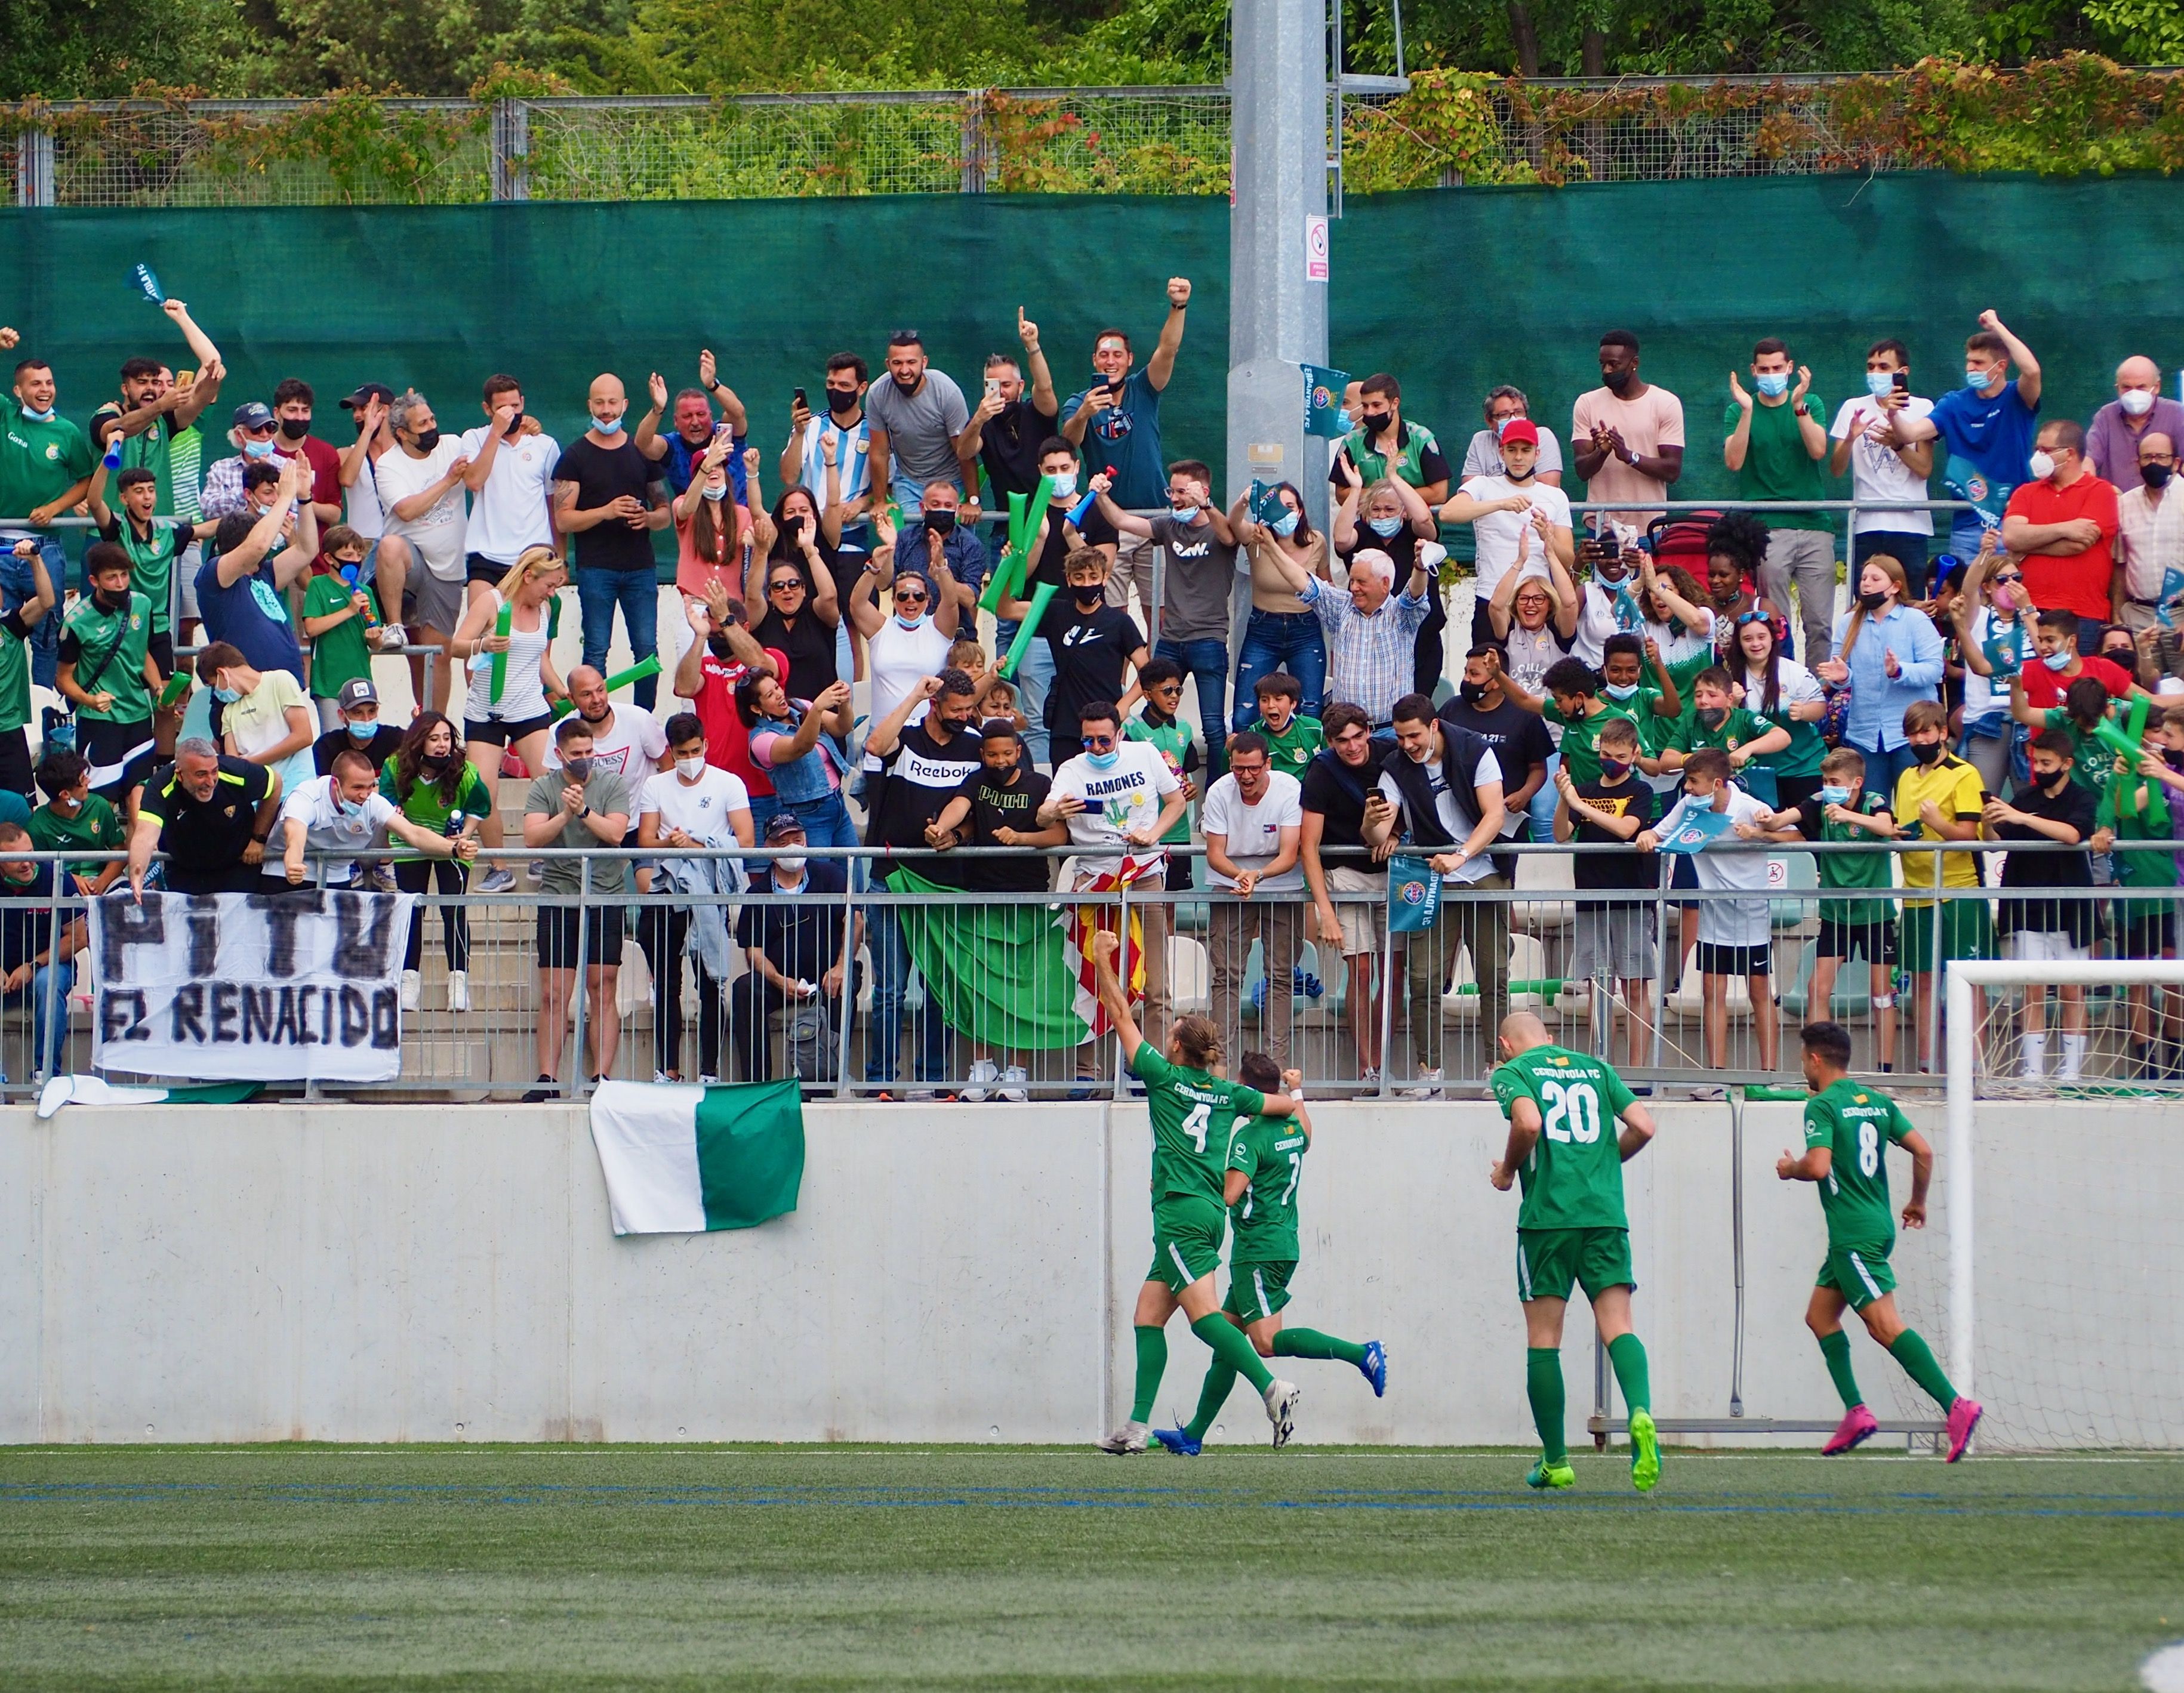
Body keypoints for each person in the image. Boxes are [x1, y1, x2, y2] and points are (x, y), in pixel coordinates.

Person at [1088, 927, 1304, 1455]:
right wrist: (1292, 1090)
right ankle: (1136, 1427)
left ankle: (1271, 1388)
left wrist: (1100, 960)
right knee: (1148, 1313)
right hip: (1205, 1211)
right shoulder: (1229, 1093)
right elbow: (1282, 1108)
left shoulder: (1162, 1077)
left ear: (1179, 1046)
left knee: (1205, 1319)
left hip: (1181, 1212)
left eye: (1173, 1032)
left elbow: (1120, 1015)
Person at [1154, 1051, 1387, 1455]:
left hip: (1257, 1248)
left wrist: (1191, 1184)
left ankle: (1360, 1353)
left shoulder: (1250, 1137)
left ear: (1246, 1089)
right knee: (1228, 1345)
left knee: (1263, 1341)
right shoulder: (1292, 1123)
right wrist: (1297, 1092)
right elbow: (1308, 1132)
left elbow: (1229, 1193)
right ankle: (1193, 1434)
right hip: (1280, 1240)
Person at [1779, 1019, 1983, 1462]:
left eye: (1802, 1059)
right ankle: (1855, 1411)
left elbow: (1816, 1166)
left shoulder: (1821, 1106)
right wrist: (1917, 1202)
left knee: (1883, 1325)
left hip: (1852, 1234)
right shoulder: (1875, 1101)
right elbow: (1924, 1151)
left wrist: (1788, 1167)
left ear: (1815, 1058)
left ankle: (1955, 1404)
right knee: (1819, 1316)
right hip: (1874, 1225)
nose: (1803, 1068)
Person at [1489, 1010, 1662, 1492]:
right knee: (1618, 1325)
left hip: (1549, 1218)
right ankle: (1642, 1412)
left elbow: (1527, 1122)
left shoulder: (1513, 1071)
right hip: (1605, 1213)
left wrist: (1506, 1171)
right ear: (1549, 1037)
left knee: (1544, 1338)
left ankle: (1556, 1460)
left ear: (1506, 1044)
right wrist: (1608, 1158)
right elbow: (1644, 1126)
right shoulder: (1597, 1067)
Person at [1363, 693, 1508, 1097]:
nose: (1407, 744)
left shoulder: (1474, 749)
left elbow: (1494, 814)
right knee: (1423, 976)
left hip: (1482, 871)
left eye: (1413, 736)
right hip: (1429, 875)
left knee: (1492, 973)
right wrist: (1373, 825)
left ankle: (1497, 1070)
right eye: (1400, 737)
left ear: (1433, 727)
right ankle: (1430, 1075)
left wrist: (1462, 855)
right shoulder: (1393, 765)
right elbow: (1378, 832)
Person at [862, 670, 984, 1097]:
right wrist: (915, 693)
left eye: (969, 709)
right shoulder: (909, 736)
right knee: (891, 989)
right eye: (956, 709)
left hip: (945, 883)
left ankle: (934, 1078)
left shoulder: (974, 745)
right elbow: (875, 745)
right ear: (936, 704)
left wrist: (956, 835)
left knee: (939, 987)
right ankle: (882, 1078)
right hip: (891, 879)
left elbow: (972, 808)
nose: (965, 717)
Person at [1749, 745, 1900, 1070]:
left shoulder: (1874, 802)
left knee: (1881, 994)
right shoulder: (1820, 803)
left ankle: (1885, 1071)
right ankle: (1822, 1068)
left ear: (1856, 782)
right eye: (1825, 781)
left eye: (1834, 781)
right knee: (1817, 988)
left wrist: (1848, 815)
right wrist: (1766, 821)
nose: (1827, 788)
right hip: (1835, 912)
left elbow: (1887, 828)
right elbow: (1781, 821)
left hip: (1875, 913)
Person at [1638, 746, 1778, 1076]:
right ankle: (1716, 1076)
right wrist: (1646, 836)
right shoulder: (1689, 805)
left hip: (1752, 914)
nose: (1688, 788)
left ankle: (1770, 1076)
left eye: (1694, 782)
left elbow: (1794, 835)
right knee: (1711, 991)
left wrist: (1760, 832)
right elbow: (1658, 832)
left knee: (1760, 992)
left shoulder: (1752, 807)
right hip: (1713, 914)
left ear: (1717, 784)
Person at [1064, 279, 1194, 622]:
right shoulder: (1079, 402)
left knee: (1161, 614)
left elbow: (1167, 351)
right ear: (1094, 360)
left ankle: (1155, 677)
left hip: (1153, 517)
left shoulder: (1144, 389)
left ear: (1129, 359)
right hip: (1107, 523)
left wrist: (1177, 306)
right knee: (1111, 613)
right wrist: (1085, 415)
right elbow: (1068, 444)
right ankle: (1116, 678)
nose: (1111, 361)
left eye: (1117, 354)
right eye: (1104, 355)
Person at [1090, 461, 1237, 765]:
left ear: (1203, 491)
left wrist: (1207, 506)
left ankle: (1214, 800)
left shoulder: (1219, 527)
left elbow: (1229, 537)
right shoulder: (1169, 526)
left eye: (1182, 491)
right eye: (1172, 491)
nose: (1175, 498)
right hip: (1170, 639)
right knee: (1149, 716)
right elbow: (1122, 521)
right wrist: (1102, 495)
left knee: (1213, 727)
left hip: (1209, 640)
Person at [637, 711, 754, 1084]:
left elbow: (746, 840)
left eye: (694, 750)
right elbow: (645, 841)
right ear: (670, 752)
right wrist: (670, 844)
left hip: (710, 893)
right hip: (668, 890)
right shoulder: (655, 786)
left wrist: (698, 844)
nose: (689, 759)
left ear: (705, 744)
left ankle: (709, 1070)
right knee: (668, 984)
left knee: (710, 983)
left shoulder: (729, 783)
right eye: (681, 753)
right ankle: (667, 1069)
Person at [522, 715, 634, 1100]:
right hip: (559, 896)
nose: (585, 758)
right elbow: (532, 839)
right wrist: (566, 814)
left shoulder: (613, 785)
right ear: (560, 754)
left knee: (602, 987)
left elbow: (617, 833)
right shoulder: (543, 787)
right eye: (577, 753)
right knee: (555, 993)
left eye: (589, 751)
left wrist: (585, 811)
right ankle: (547, 1079)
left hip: (605, 895)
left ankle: (601, 1078)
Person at [1982, 726, 2098, 1080]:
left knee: (2071, 990)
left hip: (2070, 909)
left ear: (2067, 763)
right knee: (2032, 988)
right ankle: (2033, 1071)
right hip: (2028, 909)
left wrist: (2021, 818)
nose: (2040, 769)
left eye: (2047, 762)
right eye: (2035, 761)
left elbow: (2073, 834)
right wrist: (1991, 821)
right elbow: (1996, 841)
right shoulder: (2026, 798)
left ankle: (2072, 1072)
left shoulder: (2082, 798)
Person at [449, 545, 565, 892]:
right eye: (549, 585)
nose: (553, 592)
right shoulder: (491, 602)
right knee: (482, 789)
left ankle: (544, 855)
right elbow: (456, 645)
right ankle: (498, 866)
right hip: (486, 710)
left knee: (549, 782)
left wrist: (560, 688)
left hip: (529, 707)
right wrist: (483, 645)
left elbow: (538, 656)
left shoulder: (545, 608)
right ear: (529, 576)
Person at [555, 374, 670, 713]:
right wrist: (606, 511)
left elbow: (665, 512)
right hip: (595, 568)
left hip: (641, 568)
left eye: (612, 403)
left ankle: (645, 721)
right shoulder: (575, 456)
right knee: (595, 650)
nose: (606, 411)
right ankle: (594, 722)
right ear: (590, 405)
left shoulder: (642, 452)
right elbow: (563, 519)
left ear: (625, 406)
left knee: (648, 650)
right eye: (600, 403)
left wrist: (647, 519)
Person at [1893, 699, 1994, 1072]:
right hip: (1917, 894)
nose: (1920, 739)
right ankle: (1927, 1066)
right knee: (1922, 981)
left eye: (1926, 731)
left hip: (1960, 892)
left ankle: (1973, 1067)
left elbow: (1970, 835)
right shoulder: (1905, 777)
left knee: (1969, 981)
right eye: (1913, 733)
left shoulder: (1965, 774)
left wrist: (1938, 823)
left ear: (1943, 733)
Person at [1891, 310, 2043, 557]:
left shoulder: (2017, 397)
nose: (1970, 368)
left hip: (2014, 523)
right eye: (1969, 362)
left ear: (2001, 366)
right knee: (1966, 596)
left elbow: (2033, 371)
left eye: (1979, 363)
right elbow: (1909, 435)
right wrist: (1892, 414)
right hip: (1966, 528)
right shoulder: (1953, 403)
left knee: (2010, 595)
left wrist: (1997, 326)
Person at [1552, 717, 1658, 1068]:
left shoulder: (1641, 791)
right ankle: (1602, 1066)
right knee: (1599, 989)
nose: (1611, 761)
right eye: (1606, 753)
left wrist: (1581, 806)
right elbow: (1561, 834)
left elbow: (1628, 830)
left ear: (1634, 754)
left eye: (1620, 755)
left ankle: (1639, 1071)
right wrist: (1565, 797)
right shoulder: (1585, 789)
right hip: (1591, 898)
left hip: (1630, 896)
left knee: (1635, 986)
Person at [1724, 338, 1837, 661]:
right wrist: (1747, 410)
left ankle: (1819, 696)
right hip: (1767, 529)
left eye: (1777, 368)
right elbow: (1734, 461)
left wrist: (1799, 405)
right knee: (1774, 622)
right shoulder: (1738, 409)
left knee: (1819, 624)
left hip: (1815, 525)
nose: (1771, 374)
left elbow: (1818, 450)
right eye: (1764, 369)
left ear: (1789, 369)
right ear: (1753, 371)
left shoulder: (1811, 402)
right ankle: (1781, 692)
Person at [729, 813, 859, 1086]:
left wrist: (840, 966)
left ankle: (828, 1079)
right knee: (745, 989)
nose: (792, 847)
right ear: (769, 849)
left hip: (827, 974)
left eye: (797, 840)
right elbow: (754, 950)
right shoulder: (757, 893)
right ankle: (758, 1085)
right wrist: (778, 981)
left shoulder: (830, 875)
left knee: (843, 984)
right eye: (782, 842)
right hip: (781, 980)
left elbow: (855, 920)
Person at [1298, 704, 1391, 1085]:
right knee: (1362, 967)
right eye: (1342, 741)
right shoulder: (1321, 771)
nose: (1352, 747)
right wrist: (1327, 914)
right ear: (1330, 742)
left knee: (1393, 971)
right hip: (1345, 875)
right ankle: (1368, 1065)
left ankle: (1382, 1061)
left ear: (1369, 731)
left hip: (1392, 874)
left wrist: (1397, 835)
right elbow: (1309, 846)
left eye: (1357, 737)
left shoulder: (1391, 756)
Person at [1201, 731, 1305, 1070]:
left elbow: (1290, 854)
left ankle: (1278, 1066)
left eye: (1253, 768)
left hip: (1281, 885)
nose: (1246, 776)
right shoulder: (1218, 791)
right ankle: (1221, 1068)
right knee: (1226, 976)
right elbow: (1215, 854)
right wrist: (1240, 877)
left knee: (1280, 976)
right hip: (1228, 883)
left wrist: (1256, 877)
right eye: (1239, 769)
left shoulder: (1289, 789)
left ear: (1268, 764)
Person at [381, 711, 489, 1014]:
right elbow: (386, 799)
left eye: (446, 738)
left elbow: (480, 806)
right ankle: (409, 982)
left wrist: (464, 836)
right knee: (412, 911)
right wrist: (396, 813)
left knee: (453, 910)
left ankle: (458, 981)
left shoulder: (465, 771)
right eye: (433, 739)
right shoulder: (394, 765)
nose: (442, 746)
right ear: (419, 742)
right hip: (409, 844)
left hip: (451, 847)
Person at [370, 390, 472, 713]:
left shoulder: (454, 444)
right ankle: (395, 624)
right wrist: (447, 481)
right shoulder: (388, 465)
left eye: (432, 419)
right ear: (402, 434)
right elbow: (407, 511)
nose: (432, 428)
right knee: (389, 545)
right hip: (409, 562)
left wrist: (521, 426)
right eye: (422, 424)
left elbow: (488, 450)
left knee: (437, 653)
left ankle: (433, 722)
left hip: (449, 568)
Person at [1002, 545, 1148, 766]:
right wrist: (1009, 568)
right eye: (1079, 577)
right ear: (1069, 580)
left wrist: (1124, 705)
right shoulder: (1055, 611)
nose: (1087, 584)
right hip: (1066, 726)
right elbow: (1007, 610)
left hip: (1106, 726)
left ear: (1105, 577)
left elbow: (1146, 671)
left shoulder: (1120, 622)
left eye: (1093, 577)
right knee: (1066, 793)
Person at [1258, 543, 1430, 731]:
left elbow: (1415, 595)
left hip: (1390, 731)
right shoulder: (1341, 607)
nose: (1354, 588)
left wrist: (1420, 566)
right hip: (1345, 732)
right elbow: (1302, 582)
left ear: (1385, 584)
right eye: (1352, 581)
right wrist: (1271, 547)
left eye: (1361, 582)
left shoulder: (1401, 616)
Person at [1816, 554, 1945, 800]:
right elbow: (1840, 674)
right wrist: (1842, 678)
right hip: (1865, 733)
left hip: (1910, 733)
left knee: (1915, 807)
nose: (1867, 584)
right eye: (1864, 578)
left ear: (1895, 587)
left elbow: (1934, 669)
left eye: (1875, 578)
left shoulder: (1915, 620)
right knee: (1874, 807)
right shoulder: (1848, 623)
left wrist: (1900, 671)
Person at [2, 353, 94, 687]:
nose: (44, 390)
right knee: (3, 635)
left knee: (48, 633)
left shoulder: (66, 431)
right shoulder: (6, 417)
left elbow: (86, 479)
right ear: (17, 390)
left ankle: (45, 711)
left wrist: (56, 507)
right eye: (35, 384)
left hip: (45, 548)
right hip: (1, 547)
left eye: (50, 383)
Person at [1441, 419, 1575, 650]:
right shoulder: (1483, 485)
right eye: (1512, 450)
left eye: (1526, 450)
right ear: (1501, 452)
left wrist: (1548, 539)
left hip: (1539, 600)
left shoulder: (1556, 496)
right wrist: (1502, 504)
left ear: (1537, 453)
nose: (1519, 457)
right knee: (1488, 678)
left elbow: (1568, 559)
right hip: (1493, 598)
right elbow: (1448, 513)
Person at [275, 745, 473, 895]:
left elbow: (413, 833)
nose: (365, 795)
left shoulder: (373, 801)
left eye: (370, 787)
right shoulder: (306, 796)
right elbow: (295, 836)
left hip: (337, 875)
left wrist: (454, 849)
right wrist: (293, 864)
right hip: (282, 870)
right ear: (335, 784)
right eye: (357, 788)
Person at [57, 540, 162, 810]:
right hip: (100, 720)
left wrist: (158, 688)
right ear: (94, 580)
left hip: (139, 716)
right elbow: (63, 678)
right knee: (102, 802)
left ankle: (141, 854)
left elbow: (143, 653)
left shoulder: (143, 604)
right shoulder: (76, 621)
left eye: (124, 575)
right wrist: (90, 701)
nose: (120, 583)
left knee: (141, 797)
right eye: (112, 577)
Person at [1829, 338, 1937, 594]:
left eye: (1884, 367)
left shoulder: (1923, 408)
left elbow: (1924, 469)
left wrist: (1898, 445)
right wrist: (1849, 439)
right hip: (1867, 523)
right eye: (1871, 367)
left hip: (1911, 525)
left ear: (1903, 372)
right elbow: (1836, 469)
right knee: (1866, 600)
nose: (1875, 373)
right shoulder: (1853, 407)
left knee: (1910, 601)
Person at [197, 454, 315, 683]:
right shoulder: (214, 576)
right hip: (245, 695)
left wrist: (304, 498)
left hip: (285, 689)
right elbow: (259, 546)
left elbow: (307, 551)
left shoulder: (264, 574)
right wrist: (285, 497)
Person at [2001, 419, 2120, 634]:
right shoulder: (2025, 492)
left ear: (2070, 454)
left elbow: (2078, 545)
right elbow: (2010, 537)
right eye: (2037, 449)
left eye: (2046, 450)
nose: (2038, 456)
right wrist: (2065, 528)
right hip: (2029, 608)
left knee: (2082, 670)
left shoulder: (2100, 491)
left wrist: (2026, 546)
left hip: (2082, 615)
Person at [127, 738, 282, 899]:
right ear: (180, 775)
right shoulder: (160, 786)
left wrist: (258, 838)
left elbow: (275, 784)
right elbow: (145, 836)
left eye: (214, 772)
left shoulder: (235, 771)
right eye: (201, 775)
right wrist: (137, 875)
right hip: (185, 869)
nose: (210, 782)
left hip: (237, 865)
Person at [460, 374, 560, 613]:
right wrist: (496, 433)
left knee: (534, 629)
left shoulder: (545, 445)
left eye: (515, 406)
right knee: (482, 628)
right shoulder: (474, 438)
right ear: (487, 409)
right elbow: (474, 481)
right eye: (502, 408)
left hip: (534, 556)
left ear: (523, 404)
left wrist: (560, 557)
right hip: (487, 553)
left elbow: (553, 503)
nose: (510, 414)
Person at [1228, 481, 1329, 719]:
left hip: (1306, 630)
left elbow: (1327, 586)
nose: (1284, 513)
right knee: (1245, 712)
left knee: (1310, 709)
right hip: (1263, 629)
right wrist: (1244, 500)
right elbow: (1234, 523)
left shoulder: (1317, 541)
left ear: (1300, 510)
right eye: (1278, 507)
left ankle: (1307, 756)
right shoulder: (1257, 536)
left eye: (1290, 506)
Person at [1570, 329, 1685, 534]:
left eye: (1614, 364)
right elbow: (1582, 470)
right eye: (1603, 364)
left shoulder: (1665, 403)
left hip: (1649, 526)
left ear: (1635, 363)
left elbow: (1672, 470)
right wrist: (1602, 452)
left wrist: (1628, 456)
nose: (1607, 371)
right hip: (1602, 526)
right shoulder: (1587, 403)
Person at [1443, 645, 1554, 852]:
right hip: (1459, 818)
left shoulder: (1525, 716)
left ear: (1495, 681)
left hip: (1508, 821)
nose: (1466, 679)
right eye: (1466, 672)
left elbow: (1538, 769)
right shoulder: (1451, 710)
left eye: (1474, 674)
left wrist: (1524, 795)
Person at [87, 464, 192, 677]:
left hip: (158, 627)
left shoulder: (166, 530)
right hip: (124, 627)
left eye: (151, 490)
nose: (147, 497)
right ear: (124, 499)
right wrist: (108, 460)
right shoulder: (117, 527)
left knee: (164, 698)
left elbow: (205, 530)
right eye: (139, 491)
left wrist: (254, 519)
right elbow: (94, 502)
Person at [0, 821, 84, 1078]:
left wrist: (34, 965)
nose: (28, 863)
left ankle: (45, 1074)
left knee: (47, 983)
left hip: (46, 967)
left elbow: (79, 938)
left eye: (31, 854)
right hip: (5, 975)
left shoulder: (58, 879)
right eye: (17, 859)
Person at [957, 308, 1059, 516]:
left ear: (1020, 386)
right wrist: (978, 420)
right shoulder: (983, 423)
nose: (1001, 392)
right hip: (1007, 522)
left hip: (1048, 517)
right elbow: (965, 452)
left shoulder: (1036, 412)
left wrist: (1032, 346)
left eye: (1006, 384)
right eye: (993, 385)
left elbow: (1045, 387)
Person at [740, 674, 857, 849]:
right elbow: (801, 747)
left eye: (777, 687)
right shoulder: (760, 739)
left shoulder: (800, 706)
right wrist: (817, 709)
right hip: (806, 815)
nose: (779, 694)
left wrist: (844, 703)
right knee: (818, 874)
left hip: (837, 803)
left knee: (852, 870)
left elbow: (842, 727)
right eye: (770, 695)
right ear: (757, 709)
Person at [199, 641, 315, 810]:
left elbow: (303, 736)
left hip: (297, 791)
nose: (216, 692)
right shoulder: (228, 711)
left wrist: (251, 762)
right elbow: (234, 765)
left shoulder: (280, 680)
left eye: (213, 685)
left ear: (222, 673)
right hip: (257, 800)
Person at [1730, 611, 1828, 811]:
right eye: (1747, 639)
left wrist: (1804, 712)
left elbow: (1820, 707)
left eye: (1762, 637)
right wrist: (1732, 704)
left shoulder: (1794, 672)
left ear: (1773, 639)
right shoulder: (1730, 677)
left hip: (1804, 767)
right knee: (1764, 832)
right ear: (1739, 644)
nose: (1756, 644)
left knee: (1805, 833)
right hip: (1758, 772)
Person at [865, 331, 969, 517]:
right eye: (897, 363)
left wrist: (972, 499)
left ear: (924, 362)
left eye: (911, 362)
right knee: (911, 543)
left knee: (957, 544)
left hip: (951, 481)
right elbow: (879, 451)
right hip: (909, 482)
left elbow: (964, 451)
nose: (905, 370)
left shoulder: (947, 391)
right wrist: (880, 501)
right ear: (888, 365)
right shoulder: (877, 393)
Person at [300, 526, 383, 730]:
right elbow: (311, 628)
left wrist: (374, 636)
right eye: (348, 554)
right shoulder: (318, 585)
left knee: (363, 738)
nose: (355, 559)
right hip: (328, 683)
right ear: (329, 558)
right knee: (333, 740)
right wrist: (349, 610)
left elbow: (377, 642)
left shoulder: (365, 591)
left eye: (358, 554)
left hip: (360, 677)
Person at [636, 357, 750, 505]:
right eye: (687, 416)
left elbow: (738, 413)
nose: (695, 422)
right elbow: (643, 444)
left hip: (741, 521)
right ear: (676, 421)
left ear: (710, 416)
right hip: (696, 524)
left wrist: (712, 385)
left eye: (701, 415)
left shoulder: (726, 433)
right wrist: (658, 409)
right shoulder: (672, 446)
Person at [746, 527, 842, 699]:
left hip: (822, 715)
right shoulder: (764, 619)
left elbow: (829, 596)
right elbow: (752, 597)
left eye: (794, 584)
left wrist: (810, 551)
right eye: (778, 586)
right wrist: (761, 551)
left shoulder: (816, 614)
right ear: (770, 595)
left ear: (804, 589)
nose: (787, 590)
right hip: (778, 719)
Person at [2114, 432, 2183, 634]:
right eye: (2147, 457)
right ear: (2138, 464)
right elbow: (2120, 564)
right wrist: (2117, 613)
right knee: (2142, 667)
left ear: (2176, 463)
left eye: (2161, 457)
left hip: (2180, 615)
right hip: (2137, 616)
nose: (2154, 463)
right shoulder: (2125, 503)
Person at [30, 749, 124, 896]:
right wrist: (70, 880)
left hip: (104, 881)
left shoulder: (100, 806)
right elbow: (40, 870)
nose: (89, 781)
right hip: (61, 886)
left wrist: (100, 883)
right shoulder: (37, 826)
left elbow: (120, 853)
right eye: (82, 779)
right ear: (65, 794)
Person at [2087, 355, 2184, 488]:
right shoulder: (2106, 416)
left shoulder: (2178, 414)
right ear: (2118, 388)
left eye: (2141, 387)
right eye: (2126, 388)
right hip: (2116, 502)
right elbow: (2088, 459)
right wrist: (2094, 488)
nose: (2133, 393)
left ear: (2156, 387)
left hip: (2166, 502)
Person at [1462, 385, 1563, 487]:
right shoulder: (1480, 440)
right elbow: (1470, 489)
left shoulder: (1542, 436)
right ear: (1489, 420)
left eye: (1519, 412)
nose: (1513, 419)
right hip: (1492, 503)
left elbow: (1547, 488)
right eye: (1504, 414)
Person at [312, 676, 402, 781]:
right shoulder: (326, 747)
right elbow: (324, 791)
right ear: (342, 715)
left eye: (372, 711)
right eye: (358, 713)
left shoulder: (397, 740)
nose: (366, 719)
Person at [1240, 671, 1320, 782]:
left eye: (1278, 699)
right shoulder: (1254, 734)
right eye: (1264, 700)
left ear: (1293, 703)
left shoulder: (1315, 729)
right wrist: (1228, 751)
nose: (1271, 705)